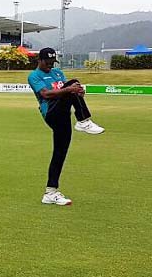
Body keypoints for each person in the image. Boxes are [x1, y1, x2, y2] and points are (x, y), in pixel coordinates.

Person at [28, 47, 105, 206]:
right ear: (39, 60)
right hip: (51, 112)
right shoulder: (34, 76)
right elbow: (46, 94)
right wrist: (70, 90)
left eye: (52, 62)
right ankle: (83, 121)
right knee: (71, 85)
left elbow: (68, 91)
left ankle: (50, 192)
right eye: (47, 62)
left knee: (60, 153)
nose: (50, 65)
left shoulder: (58, 73)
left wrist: (77, 92)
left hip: (64, 116)